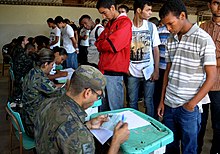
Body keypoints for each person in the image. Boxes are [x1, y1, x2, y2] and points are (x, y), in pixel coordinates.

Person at [157, 0, 217, 153]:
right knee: (170, 146)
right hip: (169, 104)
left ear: (182, 15)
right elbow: (168, 72)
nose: (168, 29)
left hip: (189, 108)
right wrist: (162, 100)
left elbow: (212, 76)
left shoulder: (203, 39)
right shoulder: (171, 39)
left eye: (171, 24)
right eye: (165, 26)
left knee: (189, 148)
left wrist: (191, 105)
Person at [34, 65, 130, 153]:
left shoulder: (47, 103)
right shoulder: (79, 135)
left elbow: (58, 135)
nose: (97, 99)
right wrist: (116, 142)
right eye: (98, 96)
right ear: (87, 93)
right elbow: (71, 132)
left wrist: (88, 125)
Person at [95, 0, 132, 111]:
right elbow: (98, 42)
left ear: (112, 8)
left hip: (114, 72)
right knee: (103, 107)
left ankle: (116, 128)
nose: (103, 16)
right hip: (104, 70)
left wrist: (104, 43)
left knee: (115, 109)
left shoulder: (125, 23)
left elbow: (113, 45)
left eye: (104, 12)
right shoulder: (111, 23)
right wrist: (104, 43)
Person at [21, 48, 66, 138]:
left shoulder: (33, 71)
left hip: (28, 117)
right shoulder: (40, 78)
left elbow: (49, 88)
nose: (52, 67)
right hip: (34, 125)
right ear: (45, 64)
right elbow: (59, 93)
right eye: (52, 64)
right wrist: (68, 86)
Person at [127, 0, 160, 117]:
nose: (150, 13)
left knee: (149, 101)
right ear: (139, 10)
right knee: (132, 101)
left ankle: (150, 125)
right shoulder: (127, 27)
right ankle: (134, 123)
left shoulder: (151, 27)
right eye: (148, 10)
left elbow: (156, 50)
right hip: (132, 71)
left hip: (149, 71)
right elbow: (123, 49)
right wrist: (126, 68)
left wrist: (156, 70)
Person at [198, 0, 220, 153]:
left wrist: (208, 62)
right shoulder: (202, 27)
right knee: (200, 121)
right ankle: (196, 150)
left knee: (218, 124)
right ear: (209, 5)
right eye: (216, 3)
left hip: (219, 85)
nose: (219, 7)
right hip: (200, 83)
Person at [12, 36, 33, 100]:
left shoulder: (20, 48)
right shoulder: (20, 51)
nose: (28, 41)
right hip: (19, 74)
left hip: (18, 71)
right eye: (26, 40)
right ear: (22, 42)